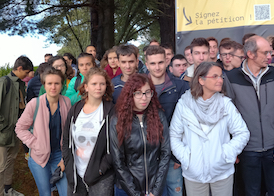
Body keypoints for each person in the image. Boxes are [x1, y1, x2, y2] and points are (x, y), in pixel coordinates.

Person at [223, 36, 274, 196]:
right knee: (251, 192)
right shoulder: (231, 77)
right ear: (251, 54)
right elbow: (228, 116)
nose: (270, 56)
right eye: (265, 52)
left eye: (270, 52)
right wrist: (234, 149)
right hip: (247, 150)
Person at [170, 62, 250, 196]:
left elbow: (242, 133)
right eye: (215, 76)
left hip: (221, 172)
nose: (220, 80)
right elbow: (174, 135)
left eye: (221, 76)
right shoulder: (184, 104)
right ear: (201, 80)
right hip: (194, 174)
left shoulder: (226, 104)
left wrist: (226, 154)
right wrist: (187, 158)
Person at [110, 74, 170, 196]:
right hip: (127, 188)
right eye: (138, 93)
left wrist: (156, 190)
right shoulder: (118, 120)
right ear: (129, 95)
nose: (144, 98)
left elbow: (165, 153)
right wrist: (135, 193)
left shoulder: (158, 116)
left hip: (156, 187)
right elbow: (118, 161)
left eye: (148, 92)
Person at [61, 67, 117, 195]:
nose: (98, 87)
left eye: (102, 84)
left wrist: (101, 169)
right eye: (94, 84)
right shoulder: (76, 109)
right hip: (76, 173)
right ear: (86, 87)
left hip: (101, 176)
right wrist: (69, 165)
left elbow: (116, 144)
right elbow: (66, 140)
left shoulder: (111, 111)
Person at [144, 45, 190, 196]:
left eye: (160, 62)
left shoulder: (181, 86)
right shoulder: (139, 88)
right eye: (152, 63)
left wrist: (179, 154)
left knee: (175, 192)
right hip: (147, 155)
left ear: (166, 62)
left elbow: (187, 124)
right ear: (146, 64)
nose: (157, 67)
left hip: (173, 154)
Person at [15, 67, 68, 196]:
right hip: (39, 157)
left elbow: (68, 130)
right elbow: (20, 128)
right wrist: (35, 144)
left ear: (62, 85)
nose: (53, 87)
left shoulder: (66, 102)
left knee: (66, 192)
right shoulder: (35, 104)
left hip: (59, 155)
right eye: (49, 83)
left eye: (57, 83)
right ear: (44, 84)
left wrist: (66, 154)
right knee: (45, 192)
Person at [0, 55, 33, 196]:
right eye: (26, 72)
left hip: (14, 132)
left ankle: (7, 189)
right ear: (19, 68)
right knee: (1, 165)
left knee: (10, 161)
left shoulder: (19, 84)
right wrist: (3, 126)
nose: (27, 75)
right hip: (2, 133)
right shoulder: (3, 82)